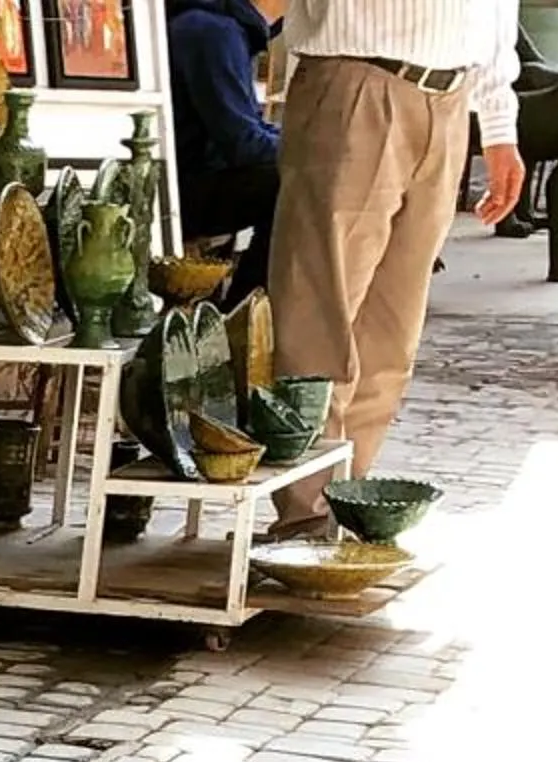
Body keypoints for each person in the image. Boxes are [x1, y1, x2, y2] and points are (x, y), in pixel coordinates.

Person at [265, 0, 526, 481]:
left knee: (392, 332)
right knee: (319, 317)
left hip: (450, 98)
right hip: (355, 82)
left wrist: (498, 122)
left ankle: (349, 496)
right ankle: (306, 510)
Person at [172, 0, 289, 298]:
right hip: (181, 192)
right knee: (297, 183)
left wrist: (301, 142)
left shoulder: (222, 28)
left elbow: (249, 132)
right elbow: (243, 143)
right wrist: (309, 150)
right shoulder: (214, 32)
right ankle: (244, 308)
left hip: (189, 181)